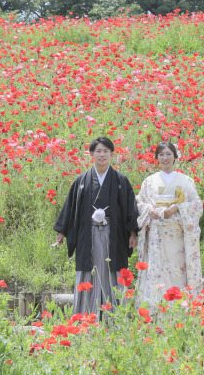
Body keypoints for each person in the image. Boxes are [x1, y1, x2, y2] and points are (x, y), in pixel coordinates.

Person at [53, 136, 138, 319]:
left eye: (106, 151)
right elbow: (71, 207)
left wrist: (132, 233)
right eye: (98, 151)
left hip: (113, 235)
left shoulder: (120, 180)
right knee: (88, 270)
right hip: (88, 234)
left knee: (112, 270)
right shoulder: (82, 180)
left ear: (112, 154)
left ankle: (114, 316)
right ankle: (86, 314)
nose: (102, 155)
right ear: (91, 154)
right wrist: (62, 232)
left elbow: (130, 208)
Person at [135, 142, 202, 311]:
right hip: (156, 234)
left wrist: (178, 207)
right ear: (156, 158)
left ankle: (178, 309)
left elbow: (196, 205)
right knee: (157, 270)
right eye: (161, 155)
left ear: (175, 157)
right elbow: (139, 203)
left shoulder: (185, 181)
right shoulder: (149, 181)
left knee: (176, 270)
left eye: (168, 154)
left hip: (177, 235)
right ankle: (155, 310)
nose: (165, 158)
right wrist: (149, 210)